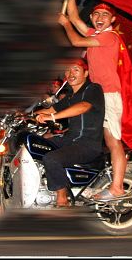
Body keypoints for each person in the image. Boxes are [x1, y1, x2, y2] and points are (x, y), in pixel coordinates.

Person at [59, 0, 127, 200]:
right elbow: (75, 18)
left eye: (105, 15)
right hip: (97, 95)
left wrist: (64, 24)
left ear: (112, 20)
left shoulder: (110, 37)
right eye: (96, 14)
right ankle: (86, 182)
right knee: (87, 137)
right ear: (91, 16)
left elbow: (76, 40)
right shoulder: (96, 33)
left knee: (113, 141)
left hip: (109, 95)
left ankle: (117, 188)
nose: (100, 17)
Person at [35, 59, 105, 207]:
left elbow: (83, 106)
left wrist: (51, 117)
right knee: (36, 144)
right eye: (67, 70)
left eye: (75, 69)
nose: (70, 73)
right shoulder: (71, 96)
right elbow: (51, 109)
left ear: (86, 73)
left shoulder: (92, 89)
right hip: (71, 139)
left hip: (87, 144)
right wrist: (23, 115)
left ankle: (62, 199)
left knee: (52, 158)